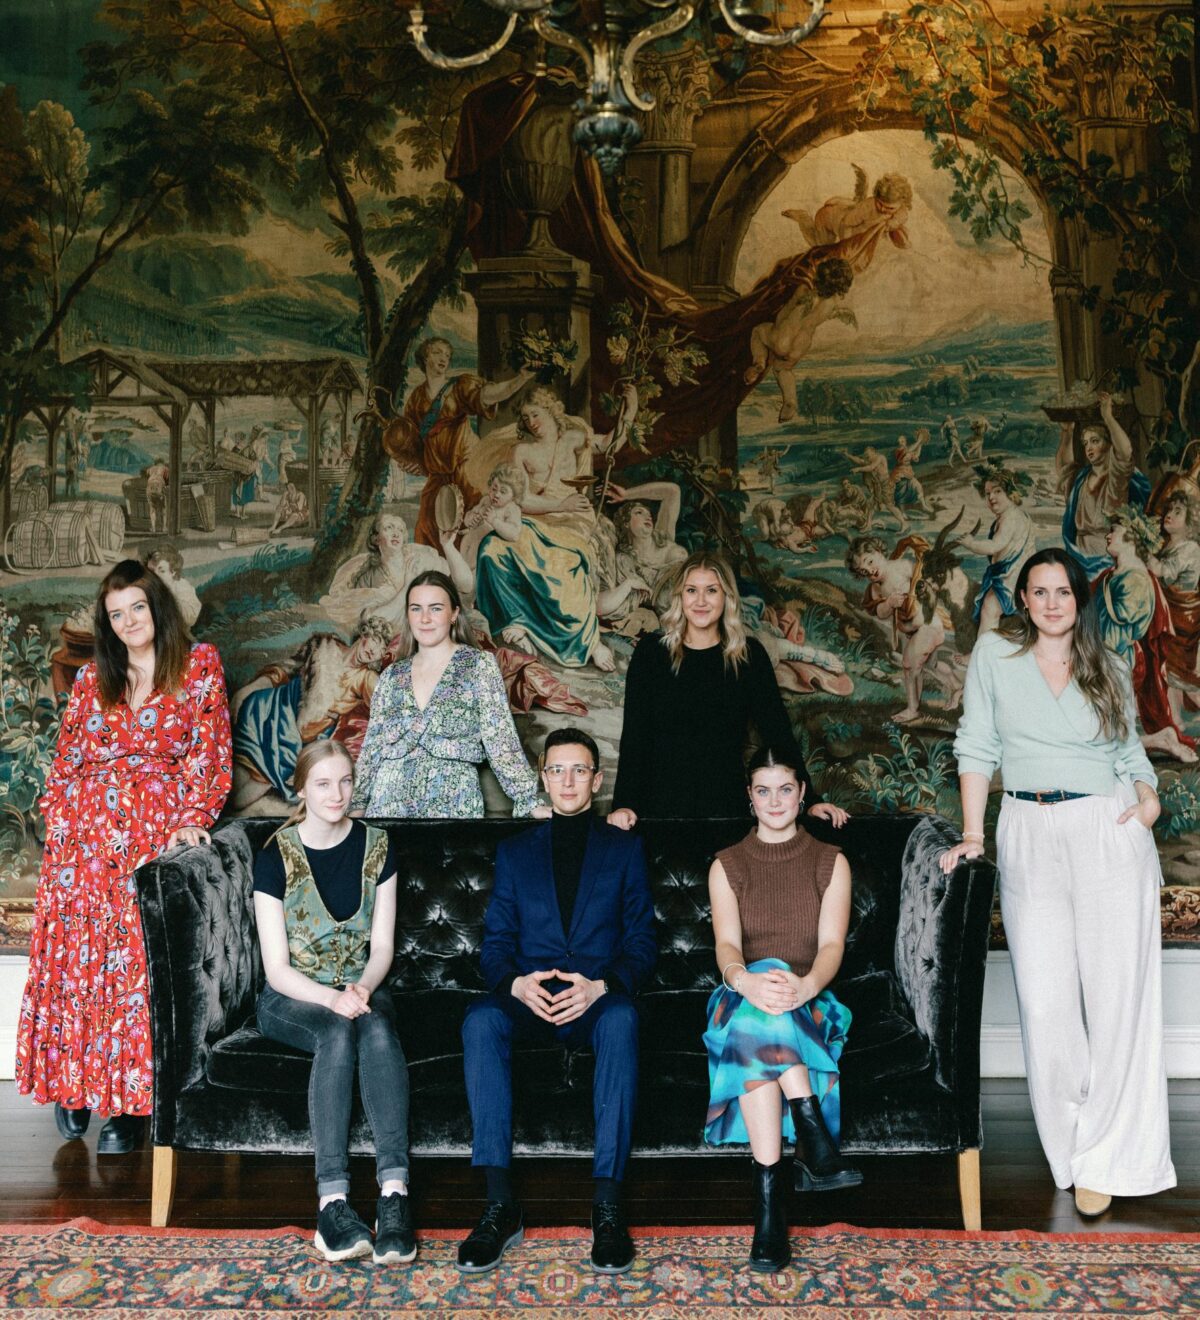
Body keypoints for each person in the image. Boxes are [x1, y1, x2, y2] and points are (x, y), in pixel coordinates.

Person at [943, 547, 1176, 1218]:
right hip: (1027, 827)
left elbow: (1130, 750)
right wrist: (974, 832)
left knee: (1116, 998)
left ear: (1079, 600)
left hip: (1108, 827)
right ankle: (1074, 1146)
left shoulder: (1108, 661)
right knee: (1045, 1004)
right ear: (1023, 600)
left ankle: (1109, 1155)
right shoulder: (995, 655)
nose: (1051, 602)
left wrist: (1149, 798)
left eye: (1062, 592)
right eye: (1038, 591)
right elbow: (976, 745)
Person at [16, 559, 232, 1154]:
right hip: (81, 850)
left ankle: (128, 1106)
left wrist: (191, 819)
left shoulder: (199, 667)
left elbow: (210, 754)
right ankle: (74, 1085)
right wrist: (61, 825)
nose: (129, 621)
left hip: (148, 844)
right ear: (106, 624)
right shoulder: (92, 682)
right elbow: (66, 764)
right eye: (116, 614)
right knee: (78, 967)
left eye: (137, 607)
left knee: (132, 969)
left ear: (156, 607)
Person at [458, 728, 656, 1275]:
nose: (568, 780)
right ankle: (500, 1204)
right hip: (531, 999)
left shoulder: (624, 848)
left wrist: (601, 986)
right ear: (544, 778)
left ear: (596, 780)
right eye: (557, 770)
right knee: (480, 1020)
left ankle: (608, 1207)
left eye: (579, 770)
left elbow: (642, 943)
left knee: (622, 1019)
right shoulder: (516, 851)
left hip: (594, 1000)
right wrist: (515, 985)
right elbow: (495, 945)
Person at [252, 741, 415, 1265]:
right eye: (323, 783)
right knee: (336, 1030)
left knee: (377, 1029)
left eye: (345, 781)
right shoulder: (275, 855)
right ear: (301, 789)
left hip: (361, 984)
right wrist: (332, 1000)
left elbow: (383, 946)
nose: (337, 794)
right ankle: (332, 1205)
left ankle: (394, 1197)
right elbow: (277, 970)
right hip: (295, 995)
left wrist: (362, 989)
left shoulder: (378, 845)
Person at [705, 746, 861, 1271]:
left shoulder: (829, 861)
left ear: (801, 795)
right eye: (763, 790)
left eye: (786, 789)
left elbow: (832, 946)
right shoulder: (727, 864)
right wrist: (745, 981)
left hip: (810, 1001)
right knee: (759, 1004)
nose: (775, 800)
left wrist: (806, 986)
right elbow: (727, 948)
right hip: (742, 996)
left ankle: (769, 1215)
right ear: (749, 798)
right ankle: (814, 1135)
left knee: (767, 1011)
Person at [609, 551, 849, 828]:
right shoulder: (651, 653)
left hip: (726, 805)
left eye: (711, 590)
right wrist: (624, 805)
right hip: (659, 807)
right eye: (691, 590)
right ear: (680, 597)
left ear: (727, 598)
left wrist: (810, 800)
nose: (700, 601)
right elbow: (635, 736)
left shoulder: (749, 656)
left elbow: (778, 732)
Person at [350, 571, 542, 818]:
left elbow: (501, 739)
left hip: (454, 805)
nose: (425, 618)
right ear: (408, 616)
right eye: (416, 609)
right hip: (388, 806)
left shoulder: (478, 665)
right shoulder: (391, 676)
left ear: (454, 614)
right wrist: (356, 805)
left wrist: (528, 801)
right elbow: (372, 748)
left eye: (436, 608)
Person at [380, 337, 534, 547]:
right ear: (425, 356)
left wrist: (520, 379)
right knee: (427, 528)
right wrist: (413, 463)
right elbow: (414, 442)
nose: (444, 358)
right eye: (437, 353)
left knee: (473, 526)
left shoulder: (459, 387)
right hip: (437, 476)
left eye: (447, 355)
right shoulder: (416, 398)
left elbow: (489, 395)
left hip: (466, 469)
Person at [1095, 507, 1197, 764]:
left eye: (1114, 531)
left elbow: (1127, 628)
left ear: (1131, 538)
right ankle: (1161, 739)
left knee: (1103, 742)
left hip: (1119, 663)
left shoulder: (1136, 579)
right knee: (1100, 738)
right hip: (1106, 660)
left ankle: (1163, 741)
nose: (1108, 536)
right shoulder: (1115, 575)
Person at [1057, 392, 1150, 579]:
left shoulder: (1116, 478)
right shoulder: (1081, 478)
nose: (1088, 448)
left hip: (1106, 555)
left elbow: (1125, 452)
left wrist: (1107, 417)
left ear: (1108, 444)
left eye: (1095, 441)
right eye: (1085, 443)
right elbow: (1064, 469)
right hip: (1079, 552)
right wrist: (1067, 432)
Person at [955, 462, 1037, 634]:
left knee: (989, 609)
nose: (991, 497)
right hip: (1014, 574)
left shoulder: (1011, 518)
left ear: (1011, 492)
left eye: (997, 491)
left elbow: (994, 546)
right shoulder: (1014, 515)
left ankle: (982, 654)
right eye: (987, 493)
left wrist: (971, 544)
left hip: (1011, 578)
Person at [146, 542, 202, 628]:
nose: (156, 576)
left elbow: (190, 619)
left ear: (173, 571)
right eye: (152, 572)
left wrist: (170, 596)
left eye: (162, 571)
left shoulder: (182, 586)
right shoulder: (147, 587)